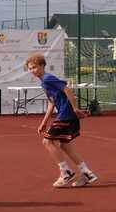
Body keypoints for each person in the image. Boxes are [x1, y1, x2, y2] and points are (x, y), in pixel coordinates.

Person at [26, 53, 98, 188]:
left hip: (67, 115)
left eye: (34, 67)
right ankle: (87, 173)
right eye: (30, 68)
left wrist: (75, 108)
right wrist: (44, 122)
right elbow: (51, 102)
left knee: (47, 141)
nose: (32, 71)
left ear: (42, 66)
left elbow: (67, 89)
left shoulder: (48, 78)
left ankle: (65, 173)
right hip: (66, 115)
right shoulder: (44, 82)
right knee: (65, 145)